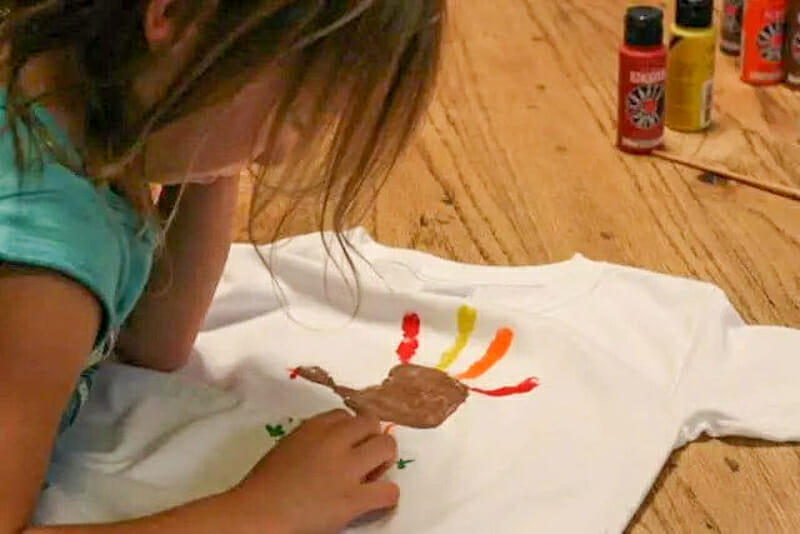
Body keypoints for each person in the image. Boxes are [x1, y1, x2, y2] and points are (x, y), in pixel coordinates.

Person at [0, 0, 443, 532]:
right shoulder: (46, 260)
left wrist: (211, 150)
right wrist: (264, 511)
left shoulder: (58, 90)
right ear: (176, 14)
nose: (276, 155)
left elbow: (151, 344)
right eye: (297, 116)